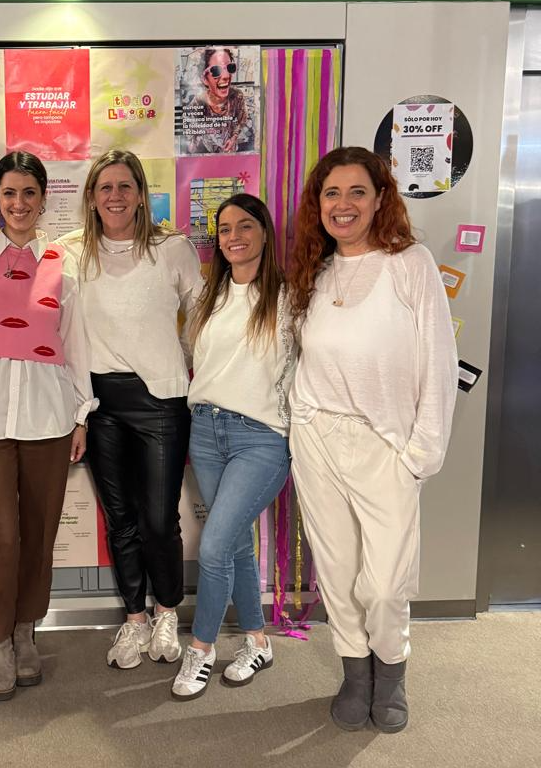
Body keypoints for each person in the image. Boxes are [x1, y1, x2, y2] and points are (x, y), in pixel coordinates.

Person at [287, 147, 457, 733]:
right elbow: (302, 359)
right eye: (331, 193)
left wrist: (420, 455)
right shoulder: (315, 270)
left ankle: (392, 671)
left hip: (385, 444)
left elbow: (439, 362)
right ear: (318, 204)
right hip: (317, 440)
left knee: (384, 584)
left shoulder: (411, 263)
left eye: (357, 191)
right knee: (338, 571)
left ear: (381, 198)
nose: (343, 205)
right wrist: (301, 422)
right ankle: (356, 676)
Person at [0, 151, 95, 701]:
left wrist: (81, 413)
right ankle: (0, 640)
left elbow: (76, 342)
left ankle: (28, 630)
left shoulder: (65, 263)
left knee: (39, 531)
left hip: (49, 415)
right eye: (9, 193)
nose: (19, 203)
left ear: (43, 198)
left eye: (29, 192)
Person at [57, 150, 203, 670]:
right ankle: (135, 618)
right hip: (100, 403)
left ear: (141, 194)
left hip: (161, 400)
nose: (115, 196)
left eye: (125, 186)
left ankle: (167, 612)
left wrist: (183, 360)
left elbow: (200, 313)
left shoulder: (173, 248)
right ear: (91, 197)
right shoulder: (70, 252)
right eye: (105, 188)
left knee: (159, 520)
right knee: (120, 519)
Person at [170, 194, 294, 700]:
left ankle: (200, 649)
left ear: (264, 231)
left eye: (245, 225)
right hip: (206, 430)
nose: (234, 236)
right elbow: (192, 357)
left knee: (216, 545)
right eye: (224, 229)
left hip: (261, 437)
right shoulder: (210, 297)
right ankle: (258, 642)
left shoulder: (289, 298)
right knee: (236, 543)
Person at [183, 47, 249, 155]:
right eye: (216, 70)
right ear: (205, 79)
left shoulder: (237, 96)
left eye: (230, 67)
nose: (226, 76)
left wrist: (234, 138)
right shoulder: (197, 103)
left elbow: (242, 120)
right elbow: (190, 138)